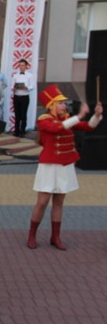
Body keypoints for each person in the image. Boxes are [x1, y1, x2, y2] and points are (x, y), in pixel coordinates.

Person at [27, 85, 103, 250]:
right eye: (60, 103)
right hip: (49, 165)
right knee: (42, 202)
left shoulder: (66, 119)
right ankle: (32, 234)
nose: (64, 106)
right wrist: (79, 115)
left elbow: (88, 127)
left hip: (65, 165)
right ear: (51, 106)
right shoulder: (44, 120)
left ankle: (55, 236)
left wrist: (97, 115)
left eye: (64, 103)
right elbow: (57, 128)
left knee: (59, 202)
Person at [10, 59, 35, 137]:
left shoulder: (30, 75)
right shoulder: (15, 75)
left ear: (26, 66)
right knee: (17, 114)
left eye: (23, 65)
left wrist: (26, 87)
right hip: (16, 96)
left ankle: (22, 131)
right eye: (20, 65)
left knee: (23, 114)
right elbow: (12, 86)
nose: (21, 67)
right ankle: (16, 131)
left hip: (25, 97)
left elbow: (32, 86)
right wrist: (13, 88)